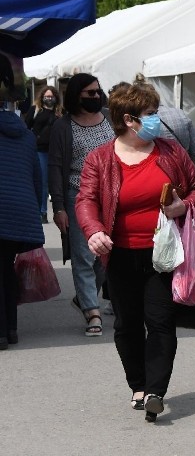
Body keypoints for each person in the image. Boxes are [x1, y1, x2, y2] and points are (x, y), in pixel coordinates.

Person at [75, 80, 195, 423]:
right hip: (118, 254)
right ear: (130, 120)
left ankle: (155, 392)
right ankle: (138, 384)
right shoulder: (100, 159)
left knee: (161, 322)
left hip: (162, 254)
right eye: (150, 114)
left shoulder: (170, 151)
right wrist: (94, 231)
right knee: (127, 324)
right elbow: (86, 199)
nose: (156, 120)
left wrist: (184, 206)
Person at [48, 73, 113, 337]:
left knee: (107, 255)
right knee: (84, 256)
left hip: (111, 198)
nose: (96, 96)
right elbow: (55, 168)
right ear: (77, 96)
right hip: (78, 198)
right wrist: (59, 207)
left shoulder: (110, 118)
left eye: (98, 92)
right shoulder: (63, 127)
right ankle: (92, 312)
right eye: (90, 93)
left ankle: (85, 299)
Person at [0, 54, 44, 350]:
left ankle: (3, 332)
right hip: (20, 212)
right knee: (5, 268)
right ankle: (10, 329)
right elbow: (36, 178)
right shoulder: (26, 135)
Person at [23, 85, 62, 223]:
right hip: (39, 151)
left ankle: (57, 211)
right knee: (42, 182)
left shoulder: (60, 112)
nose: (49, 98)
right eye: (46, 96)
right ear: (42, 97)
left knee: (57, 183)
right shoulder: (35, 110)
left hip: (56, 151)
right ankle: (42, 212)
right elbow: (26, 128)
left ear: (55, 97)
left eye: (51, 96)